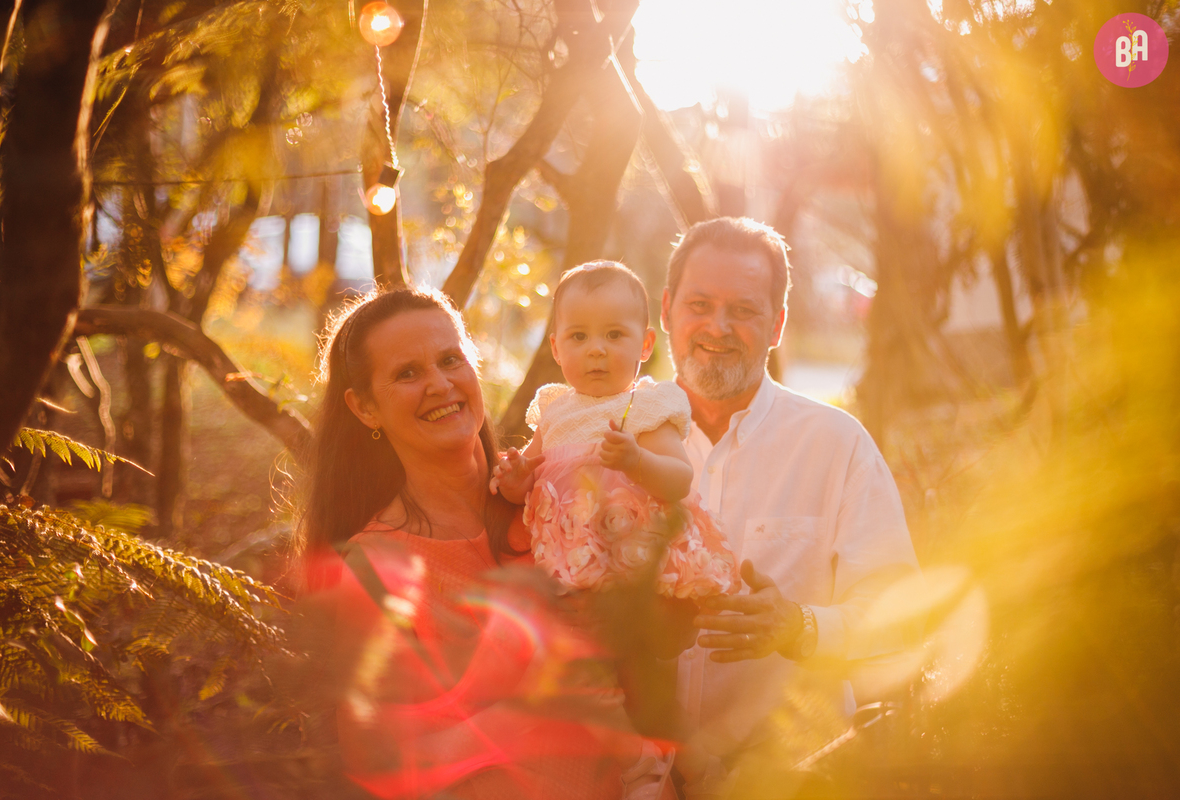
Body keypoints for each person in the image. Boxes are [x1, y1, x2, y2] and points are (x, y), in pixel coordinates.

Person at [294, 287, 639, 799]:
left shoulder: (553, 496)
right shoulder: (374, 567)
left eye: (451, 359)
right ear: (364, 408)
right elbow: (382, 762)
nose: (439, 384)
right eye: (407, 373)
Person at [659, 218, 921, 793]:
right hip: (634, 780)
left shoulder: (837, 445)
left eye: (744, 311)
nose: (717, 327)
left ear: (776, 325)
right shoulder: (616, 436)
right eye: (699, 304)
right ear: (666, 311)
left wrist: (800, 627)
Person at [490, 261, 739, 600]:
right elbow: (526, 485)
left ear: (645, 345)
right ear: (556, 348)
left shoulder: (645, 408)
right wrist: (515, 479)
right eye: (579, 336)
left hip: (637, 570)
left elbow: (680, 480)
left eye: (614, 335)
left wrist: (636, 461)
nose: (597, 349)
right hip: (570, 563)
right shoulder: (555, 410)